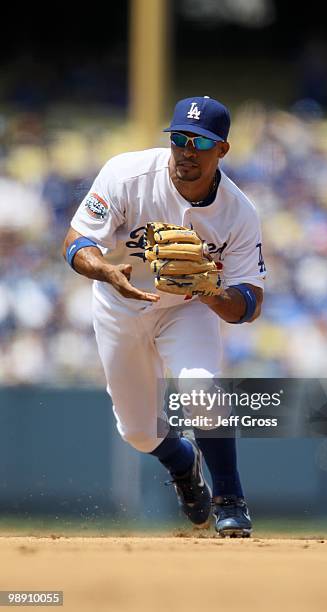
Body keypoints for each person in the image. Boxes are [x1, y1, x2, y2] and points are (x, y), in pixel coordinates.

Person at [62, 96, 266, 537]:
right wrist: (104, 271)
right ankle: (181, 459)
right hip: (119, 303)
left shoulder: (238, 212)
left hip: (188, 308)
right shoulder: (128, 174)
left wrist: (211, 292)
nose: (187, 150)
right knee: (137, 431)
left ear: (222, 151)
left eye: (200, 142)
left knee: (202, 389)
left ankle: (230, 499)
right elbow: (76, 242)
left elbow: (249, 302)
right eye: (179, 139)